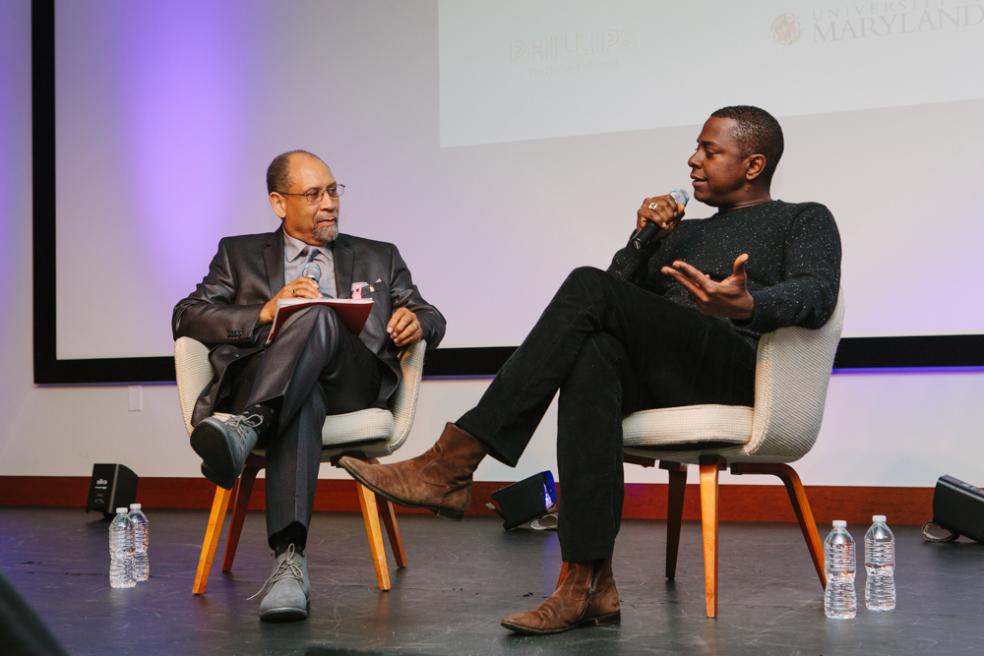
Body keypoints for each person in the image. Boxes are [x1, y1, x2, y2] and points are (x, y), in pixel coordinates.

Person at [339, 106, 841, 634]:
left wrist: (746, 304)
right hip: (668, 373)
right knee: (593, 352)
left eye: (710, 151)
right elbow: (607, 298)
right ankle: (585, 584)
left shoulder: (803, 218)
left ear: (754, 164)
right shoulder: (681, 234)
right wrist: (644, 238)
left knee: (585, 290)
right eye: (695, 147)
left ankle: (452, 463)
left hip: (737, 366)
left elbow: (818, 292)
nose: (693, 161)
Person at [172, 150, 445, 622]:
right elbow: (187, 314)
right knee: (303, 401)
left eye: (334, 191)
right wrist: (264, 311)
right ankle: (289, 563)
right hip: (280, 384)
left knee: (318, 312)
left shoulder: (379, 255)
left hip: (353, 382)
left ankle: (248, 425)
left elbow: (432, 315)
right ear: (279, 203)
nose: (329, 204)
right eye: (314, 194)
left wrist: (416, 321)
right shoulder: (237, 255)